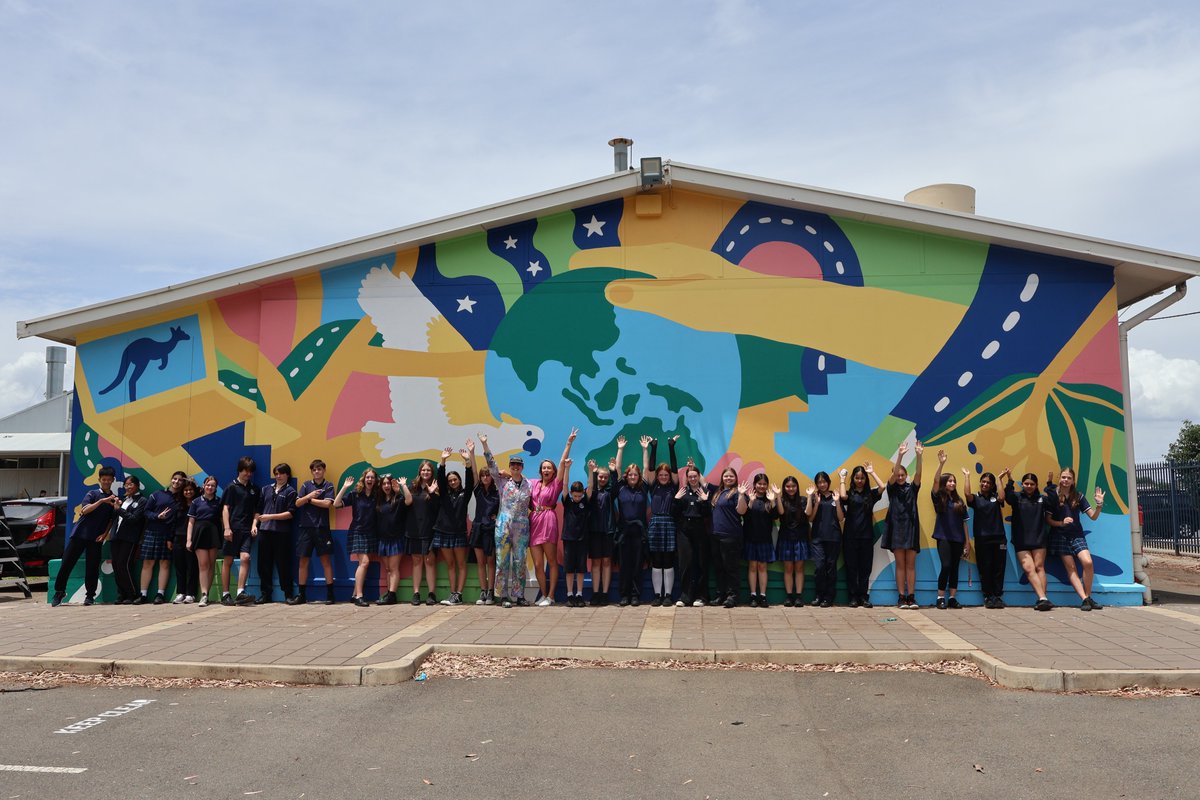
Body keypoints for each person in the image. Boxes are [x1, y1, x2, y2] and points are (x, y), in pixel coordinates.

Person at [50, 465, 117, 607]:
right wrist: (101, 501)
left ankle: (90, 596)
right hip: (80, 534)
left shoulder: (114, 499)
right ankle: (59, 592)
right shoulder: (92, 494)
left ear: (113, 480)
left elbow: (112, 519)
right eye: (103, 479)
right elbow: (85, 510)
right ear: (99, 480)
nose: (106, 482)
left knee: (92, 567)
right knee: (66, 563)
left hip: (96, 538)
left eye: (109, 480)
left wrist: (104, 534)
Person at [480, 433, 533, 608]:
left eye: (518, 464)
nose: (516, 467)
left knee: (520, 561)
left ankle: (519, 596)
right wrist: (485, 444)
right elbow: (492, 465)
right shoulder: (503, 482)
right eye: (513, 465)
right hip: (503, 526)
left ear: (522, 467)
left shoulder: (529, 484)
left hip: (521, 528)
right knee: (502, 561)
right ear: (509, 467)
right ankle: (502, 596)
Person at [529, 428, 578, 606]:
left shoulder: (556, 485)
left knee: (551, 561)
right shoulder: (533, 483)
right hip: (534, 522)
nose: (546, 470)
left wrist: (568, 443)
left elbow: (563, 463)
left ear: (553, 470)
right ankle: (542, 594)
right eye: (544, 468)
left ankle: (551, 596)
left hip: (548, 520)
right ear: (540, 471)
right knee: (537, 564)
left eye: (549, 468)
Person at [1047, 467, 1106, 611]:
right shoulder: (1053, 496)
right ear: (1059, 478)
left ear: (1073, 481)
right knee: (1071, 568)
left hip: (1077, 535)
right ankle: (1084, 599)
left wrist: (1099, 505)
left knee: (1088, 562)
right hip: (1060, 536)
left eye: (1069, 478)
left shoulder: (1078, 496)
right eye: (1063, 477)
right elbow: (1048, 520)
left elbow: (1093, 516)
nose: (1066, 480)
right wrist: (1061, 523)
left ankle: (1088, 596)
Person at [883, 441, 924, 609]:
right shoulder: (891, 489)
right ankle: (901, 597)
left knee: (910, 565)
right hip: (897, 530)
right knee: (900, 564)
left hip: (911, 528)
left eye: (902, 475)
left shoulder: (912, 488)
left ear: (906, 475)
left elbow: (919, 475)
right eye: (897, 475)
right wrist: (900, 455)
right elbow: (893, 475)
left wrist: (919, 455)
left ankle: (911, 597)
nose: (899, 477)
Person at [290, 459, 337, 605]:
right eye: (314, 470)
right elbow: (297, 503)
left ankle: (330, 595)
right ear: (311, 472)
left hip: (322, 528)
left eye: (319, 469)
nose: (317, 472)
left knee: (326, 561)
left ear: (324, 470)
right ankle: (302, 595)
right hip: (305, 528)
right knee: (303, 561)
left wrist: (309, 500)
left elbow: (327, 504)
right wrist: (309, 496)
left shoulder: (328, 485)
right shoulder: (305, 485)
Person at [434, 443, 475, 606]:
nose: (452, 482)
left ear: (459, 480)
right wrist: (443, 461)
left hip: (458, 532)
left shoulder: (465, 494)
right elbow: (440, 480)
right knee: (450, 564)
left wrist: (467, 463)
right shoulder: (443, 494)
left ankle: (459, 594)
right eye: (450, 480)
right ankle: (452, 594)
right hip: (443, 532)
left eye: (455, 480)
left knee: (461, 564)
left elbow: (471, 481)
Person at [586, 436, 625, 606]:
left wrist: (615, 464)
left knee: (607, 561)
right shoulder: (593, 492)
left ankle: (604, 593)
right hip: (594, 531)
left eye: (605, 477)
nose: (602, 479)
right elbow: (590, 488)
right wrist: (592, 472)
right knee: (595, 562)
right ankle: (595, 592)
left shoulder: (611, 492)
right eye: (600, 477)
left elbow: (617, 480)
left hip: (609, 531)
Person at [963, 467, 1009, 609]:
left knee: (999, 568)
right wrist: (967, 476)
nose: (985, 484)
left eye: (988, 482)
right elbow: (967, 494)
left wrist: (1000, 479)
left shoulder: (996, 498)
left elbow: (1002, 498)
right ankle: (988, 596)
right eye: (983, 482)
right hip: (982, 539)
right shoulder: (976, 499)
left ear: (992, 484)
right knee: (985, 567)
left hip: (999, 538)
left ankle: (998, 596)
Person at [335, 468, 382, 607]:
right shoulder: (355, 494)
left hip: (371, 532)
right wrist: (344, 487)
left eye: (372, 478)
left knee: (363, 564)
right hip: (357, 531)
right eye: (368, 477)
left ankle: (354, 594)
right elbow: (336, 504)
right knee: (365, 563)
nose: (370, 480)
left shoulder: (377, 495)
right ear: (363, 478)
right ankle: (359, 596)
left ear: (375, 480)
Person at [137, 470, 184, 605]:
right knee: (148, 563)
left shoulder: (180, 500)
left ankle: (160, 594)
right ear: (171, 479)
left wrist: (170, 537)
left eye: (180, 480)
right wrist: (157, 516)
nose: (177, 482)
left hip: (167, 534)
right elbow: (146, 511)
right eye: (175, 479)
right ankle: (143, 594)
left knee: (165, 563)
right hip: (151, 531)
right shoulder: (157, 494)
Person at [1007, 471, 1053, 611]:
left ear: (1036, 485)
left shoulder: (1042, 499)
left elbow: (1054, 501)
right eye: (1026, 483)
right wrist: (1009, 480)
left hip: (1039, 538)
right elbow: (1008, 497)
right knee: (1028, 569)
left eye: (1032, 484)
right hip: (1021, 539)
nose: (1029, 486)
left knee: (1039, 567)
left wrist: (1049, 485)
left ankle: (1042, 599)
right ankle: (1043, 598)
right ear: (1022, 484)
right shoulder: (1017, 497)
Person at [841, 464, 884, 608]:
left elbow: (882, 487)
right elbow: (842, 496)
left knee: (865, 568)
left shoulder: (870, 494)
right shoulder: (849, 494)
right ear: (853, 479)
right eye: (857, 478)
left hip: (866, 536)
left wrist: (872, 472)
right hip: (850, 537)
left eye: (862, 478)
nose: (860, 480)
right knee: (851, 568)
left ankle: (863, 597)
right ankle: (853, 597)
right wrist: (842, 479)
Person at [931, 450, 969, 609]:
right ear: (944, 483)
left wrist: (967, 542)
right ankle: (940, 597)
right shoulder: (939, 497)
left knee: (954, 568)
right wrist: (941, 463)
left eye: (954, 481)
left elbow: (964, 523)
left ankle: (952, 598)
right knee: (946, 566)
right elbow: (935, 481)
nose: (952, 483)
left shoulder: (959, 501)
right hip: (943, 538)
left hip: (958, 539)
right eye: (949, 481)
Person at [645, 436, 680, 606]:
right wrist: (654, 447)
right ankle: (657, 595)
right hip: (655, 523)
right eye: (661, 475)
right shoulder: (653, 486)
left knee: (668, 560)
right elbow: (650, 468)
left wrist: (671, 447)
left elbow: (675, 469)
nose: (664, 477)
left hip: (669, 523)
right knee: (657, 561)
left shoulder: (673, 486)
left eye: (666, 475)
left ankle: (668, 595)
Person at [221, 457, 261, 606]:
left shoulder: (255, 489)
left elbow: (257, 511)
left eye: (250, 471)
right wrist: (227, 528)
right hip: (232, 530)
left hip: (246, 530)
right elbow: (225, 508)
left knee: (245, 558)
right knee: (228, 561)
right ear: (239, 470)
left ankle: (240, 593)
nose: (248, 474)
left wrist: (254, 525)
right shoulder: (231, 487)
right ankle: (225, 595)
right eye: (245, 470)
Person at [255, 463, 296, 603]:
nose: (278, 476)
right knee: (263, 565)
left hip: (281, 533)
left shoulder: (290, 491)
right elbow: (258, 510)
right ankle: (265, 594)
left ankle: (288, 594)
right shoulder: (265, 489)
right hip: (264, 531)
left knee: (283, 564)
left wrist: (270, 517)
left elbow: (290, 513)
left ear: (287, 475)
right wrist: (255, 525)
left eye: (281, 473)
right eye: (276, 473)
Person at [674, 461, 710, 607]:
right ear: (687, 478)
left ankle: (702, 596)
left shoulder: (704, 492)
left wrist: (704, 502)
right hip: (684, 531)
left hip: (700, 530)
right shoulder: (683, 492)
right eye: (690, 477)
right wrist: (676, 500)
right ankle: (685, 597)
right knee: (685, 564)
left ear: (699, 477)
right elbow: (674, 514)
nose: (693, 479)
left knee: (701, 564)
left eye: (695, 476)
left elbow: (708, 514)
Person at [710, 467, 747, 608]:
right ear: (722, 478)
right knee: (719, 568)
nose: (728, 478)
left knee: (731, 568)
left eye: (731, 476)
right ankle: (721, 595)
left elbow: (742, 511)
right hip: (715, 536)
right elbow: (701, 481)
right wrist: (691, 467)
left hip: (731, 537)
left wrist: (742, 495)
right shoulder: (718, 492)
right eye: (726, 476)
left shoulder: (737, 492)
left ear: (735, 478)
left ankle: (733, 596)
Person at [807, 471, 844, 607]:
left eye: (824, 481)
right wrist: (816, 503)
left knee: (830, 567)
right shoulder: (814, 497)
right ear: (816, 484)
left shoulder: (835, 496)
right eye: (819, 482)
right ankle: (819, 595)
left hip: (834, 537)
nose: (822, 484)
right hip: (817, 538)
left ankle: (829, 597)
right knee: (819, 566)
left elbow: (841, 518)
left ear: (828, 482)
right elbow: (810, 518)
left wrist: (837, 502)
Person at [616, 459, 649, 607]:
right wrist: (620, 449)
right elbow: (617, 468)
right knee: (624, 565)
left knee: (637, 565)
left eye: (635, 475)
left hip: (639, 533)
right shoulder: (621, 488)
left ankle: (635, 595)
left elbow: (646, 467)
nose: (633, 477)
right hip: (624, 532)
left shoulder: (643, 488)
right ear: (626, 476)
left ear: (639, 476)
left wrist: (644, 450)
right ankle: (624, 595)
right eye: (630, 475)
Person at [109, 475, 147, 604]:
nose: (128, 487)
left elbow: (134, 519)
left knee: (124, 564)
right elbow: (115, 517)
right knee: (116, 565)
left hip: (129, 537)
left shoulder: (142, 500)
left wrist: (119, 510)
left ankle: (131, 593)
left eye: (131, 484)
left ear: (137, 485)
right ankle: (121, 594)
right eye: (126, 485)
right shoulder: (124, 499)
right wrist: (116, 507)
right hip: (116, 536)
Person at [743, 473, 778, 608]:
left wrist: (773, 501)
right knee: (752, 567)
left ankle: (762, 596)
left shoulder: (769, 500)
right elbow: (745, 516)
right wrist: (750, 502)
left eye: (764, 484)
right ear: (755, 485)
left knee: (762, 567)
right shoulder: (748, 498)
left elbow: (775, 517)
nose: (762, 486)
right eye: (759, 484)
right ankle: (753, 595)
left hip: (765, 539)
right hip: (751, 538)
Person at [376, 473, 412, 605]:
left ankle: (392, 594)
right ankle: (389, 594)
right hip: (382, 539)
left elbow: (409, 500)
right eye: (384, 483)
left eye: (388, 483)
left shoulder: (398, 498)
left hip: (396, 538)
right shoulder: (379, 501)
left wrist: (402, 487)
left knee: (394, 567)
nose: (386, 486)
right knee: (388, 569)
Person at [187, 475, 223, 607]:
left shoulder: (219, 502)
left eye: (213, 486)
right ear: (204, 486)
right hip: (199, 533)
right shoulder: (196, 502)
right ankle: (203, 594)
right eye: (208, 485)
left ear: (215, 488)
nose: (210, 487)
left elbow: (221, 519)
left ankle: (207, 593)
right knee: (203, 564)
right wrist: (188, 539)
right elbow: (191, 522)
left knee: (211, 564)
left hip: (213, 533)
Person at [774, 475, 810, 607]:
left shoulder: (803, 500)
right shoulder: (781, 500)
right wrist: (777, 496)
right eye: (788, 486)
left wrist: (811, 497)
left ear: (797, 487)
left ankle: (799, 596)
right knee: (788, 568)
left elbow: (808, 514)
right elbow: (781, 513)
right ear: (784, 487)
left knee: (800, 568)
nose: (791, 488)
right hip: (785, 538)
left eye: (793, 486)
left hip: (801, 538)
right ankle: (789, 596)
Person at [470, 459, 500, 606]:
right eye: (483, 475)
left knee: (490, 561)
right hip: (478, 528)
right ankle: (483, 591)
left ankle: (490, 592)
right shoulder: (478, 491)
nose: (485, 477)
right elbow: (474, 472)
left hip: (491, 529)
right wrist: (471, 454)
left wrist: (497, 516)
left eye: (488, 475)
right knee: (480, 562)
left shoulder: (498, 492)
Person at [561, 468, 590, 607]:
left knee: (580, 569)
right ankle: (569, 594)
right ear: (571, 494)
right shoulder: (568, 502)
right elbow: (565, 485)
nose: (577, 498)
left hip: (582, 540)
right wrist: (567, 468)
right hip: (569, 540)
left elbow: (591, 486)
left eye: (579, 496)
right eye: (575, 496)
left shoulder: (586, 503)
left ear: (582, 494)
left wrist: (591, 471)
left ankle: (579, 594)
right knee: (569, 569)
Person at [170, 479, 200, 604]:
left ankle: (191, 593)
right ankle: (180, 593)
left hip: (192, 539)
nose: (188, 492)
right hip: (178, 538)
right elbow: (172, 523)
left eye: (190, 490)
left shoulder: (198, 504)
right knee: (179, 567)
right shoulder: (177, 505)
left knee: (192, 567)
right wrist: (169, 539)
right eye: (186, 490)